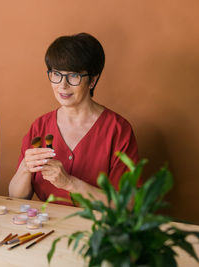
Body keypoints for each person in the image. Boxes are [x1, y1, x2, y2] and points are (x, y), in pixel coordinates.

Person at [8, 33, 139, 205]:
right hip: (46, 226)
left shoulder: (118, 130)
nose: (62, 85)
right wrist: (25, 168)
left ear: (92, 80)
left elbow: (128, 204)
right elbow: (16, 197)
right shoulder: (40, 126)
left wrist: (70, 183)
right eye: (56, 74)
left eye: (73, 76)